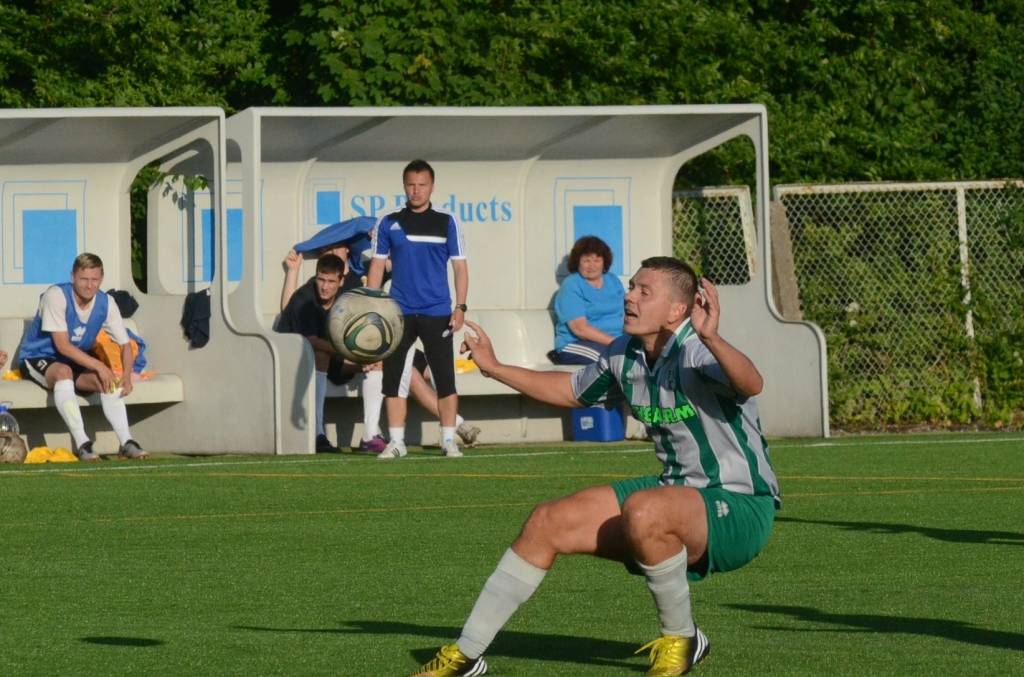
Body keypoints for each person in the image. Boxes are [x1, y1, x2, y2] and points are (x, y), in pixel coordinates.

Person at [411, 257, 780, 677]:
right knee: (547, 521)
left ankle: (681, 639)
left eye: (644, 291)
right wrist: (494, 368)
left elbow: (751, 383)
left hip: (740, 505)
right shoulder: (625, 352)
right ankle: (467, 654)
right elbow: (571, 391)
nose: (629, 297)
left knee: (645, 509)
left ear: (677, 310)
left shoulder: (696, 350)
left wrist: (712, 337)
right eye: (631, 287)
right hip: (672, 494)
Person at [281, 234, 480, 452]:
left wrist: (384, 240)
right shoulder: (306, 298)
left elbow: (391, 270)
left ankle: (445, 429)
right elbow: (310, 340)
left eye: (330, 282)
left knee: (418, 367)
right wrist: (358, 356)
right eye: (321, 280)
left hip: (358, 351)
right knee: (381, 364)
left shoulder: (354, 287)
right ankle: (321, 434)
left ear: (341, 279)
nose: (325, 287)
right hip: (326, 359)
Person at [367, 159, 470, 459]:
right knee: (393, 379)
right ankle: (397, 442)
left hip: (437, 311)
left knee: (445, 378)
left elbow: (460, 268)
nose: (416, 190)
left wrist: (460, 306)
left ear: (432, 187)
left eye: (422, 185)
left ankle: (448, 440)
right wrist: (373, 307)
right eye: (411, 185)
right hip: (398, 313)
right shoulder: (388, 222)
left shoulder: (447, 221)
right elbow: (377, 266)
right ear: (404, 186)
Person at [15, 253, 148, 461]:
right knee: (64, 371)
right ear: (73, 277)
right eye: (83, 279)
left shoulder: (107, 302)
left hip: (74, 359)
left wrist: (126, 377)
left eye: (94, 279)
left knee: (108, 381)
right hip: (38, 356)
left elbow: (125, 345)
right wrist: (99, 365)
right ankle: (83, 444)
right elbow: (62, 346)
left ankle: (126, 442)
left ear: (101, 279)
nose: (89, 285)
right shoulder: (56, 295)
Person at [551, 235, 625, 364]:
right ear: (577, 262)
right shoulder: (571, 285)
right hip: (577, 343)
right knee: (614, 360)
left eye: (597, 260)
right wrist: (617, 344)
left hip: (615, 340)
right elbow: (580, 329)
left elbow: (625, 313)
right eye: (586, 260)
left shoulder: (613, 280)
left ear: (604, 262)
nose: (592, 265)